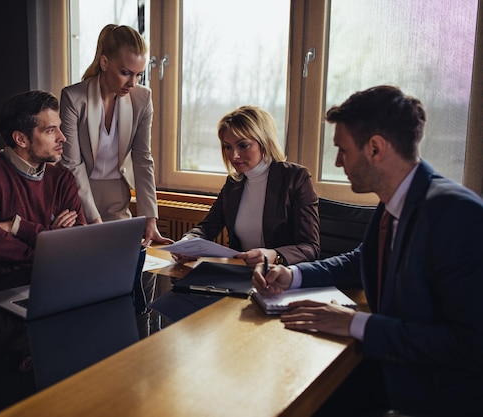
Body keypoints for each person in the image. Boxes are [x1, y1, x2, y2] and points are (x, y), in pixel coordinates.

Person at [252, 85, 483, 416]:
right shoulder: (395, 201)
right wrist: (293, 274)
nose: (336, 161)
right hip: (390, 376)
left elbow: (471, 346)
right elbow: (360, 260)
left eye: (342, 150)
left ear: (375, 148)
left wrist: (356, 324)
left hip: (434, 399)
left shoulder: (458, 216)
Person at [0, 90, 86, 286]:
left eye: (60, 128)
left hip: (42, 284)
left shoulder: (62, 179)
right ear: (21, 139)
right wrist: (48, 243)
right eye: (50, 130)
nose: (62, 137)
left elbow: (78, 243)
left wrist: (17, 226)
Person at [59, 24, 171, 246]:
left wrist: (150, 218)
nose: (133, 83)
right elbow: (72, 164)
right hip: (77, 194)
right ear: (104, 62)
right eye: (125, 73)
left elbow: (142, 159)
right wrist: (94, 220)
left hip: (117, 197)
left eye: (139, 74)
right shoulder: (73, 98)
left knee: (122, 266)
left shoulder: (142, 99)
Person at [174, 105, 320, 268]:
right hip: (241, 274)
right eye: (227, 146)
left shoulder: (295, 178)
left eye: (243, 145)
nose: (233, 155)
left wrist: (274, 255)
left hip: (280, 277)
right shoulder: (234, 182)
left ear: (264, 142)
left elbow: (310, 247)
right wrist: (187, 242)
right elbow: (208, 227)